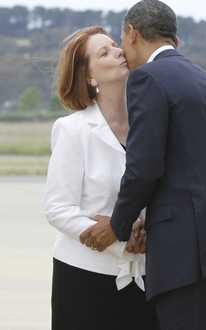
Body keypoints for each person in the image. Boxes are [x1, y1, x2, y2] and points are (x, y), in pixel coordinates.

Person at [80, 1, 206, 329]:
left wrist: (119, 225)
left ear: (132, 33)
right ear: (175, 39)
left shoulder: (149, 79)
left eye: (122, 41)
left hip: (189, 258)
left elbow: (144, 167)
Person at [44, 26, 157, 330]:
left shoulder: (151, 124)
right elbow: (58, 208)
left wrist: (147, 229)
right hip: (84, 277)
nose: (119, 51)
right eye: (103, 52)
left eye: (114, 46)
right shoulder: (73, 130)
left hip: (149, 277)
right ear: (89, 77)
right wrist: (119, 237)